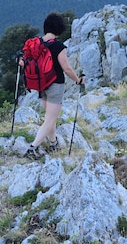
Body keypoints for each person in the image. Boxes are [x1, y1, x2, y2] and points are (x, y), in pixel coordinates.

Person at [21, 12, 85, 159]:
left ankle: (53, 143)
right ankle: (33, 148)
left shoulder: (36, 43)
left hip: (40, 85)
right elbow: (67, 68)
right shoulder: (58, 46)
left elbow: (24, 62)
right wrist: (77, 80)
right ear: (59, 28)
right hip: (55, 85)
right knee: (50, 119)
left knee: (50, 117)